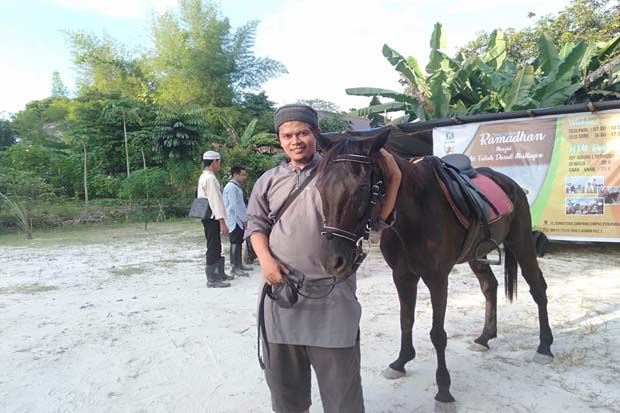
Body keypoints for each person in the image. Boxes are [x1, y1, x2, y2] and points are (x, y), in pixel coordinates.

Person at [246, 104, 401, 413]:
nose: (295, 140)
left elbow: (373, 220)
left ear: (315, 135)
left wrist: (394, 179)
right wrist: (265, 260)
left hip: (333, 297)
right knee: (285, 392)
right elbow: (256, 224)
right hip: (282, 295)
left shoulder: (343, 171)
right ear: (280, 139)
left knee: (342, 393)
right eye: (287, 135)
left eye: (303, 133)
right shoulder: (268, 180)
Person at [197, 150, 231, 288]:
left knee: (216, 244)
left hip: (208, 216)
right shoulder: (210, 178)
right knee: (213, 245)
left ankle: (219, 273)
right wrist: (222, 221)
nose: (219, 165)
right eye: (219, 162)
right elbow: (215, 201)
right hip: (212, 217)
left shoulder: (204, 176)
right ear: (215, 162)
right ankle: (212, 277)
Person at [223, 165, 253, 277]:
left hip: (238, 218)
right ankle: (234, 267)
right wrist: (244, 219)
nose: (244, 177)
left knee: (239, 242)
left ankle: (239, 265)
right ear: (235, 175)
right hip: (234, 219)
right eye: (242, 175)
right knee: (235, 242)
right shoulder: (231, 187)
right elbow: (234, 205)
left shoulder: (236, 186)